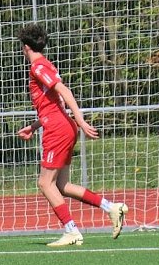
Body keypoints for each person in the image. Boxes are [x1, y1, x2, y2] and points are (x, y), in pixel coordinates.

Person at [15, 22, 127, 246]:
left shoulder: (38, 67)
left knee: (45, 183)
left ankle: (71, 230)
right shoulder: (45, 65)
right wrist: (34, 126)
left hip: (58, 129)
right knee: (62, 185)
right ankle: (111, 207)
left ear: (26, 47)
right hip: (62, 125)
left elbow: (63, 91)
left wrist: (81, 120)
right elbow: (53, 105)